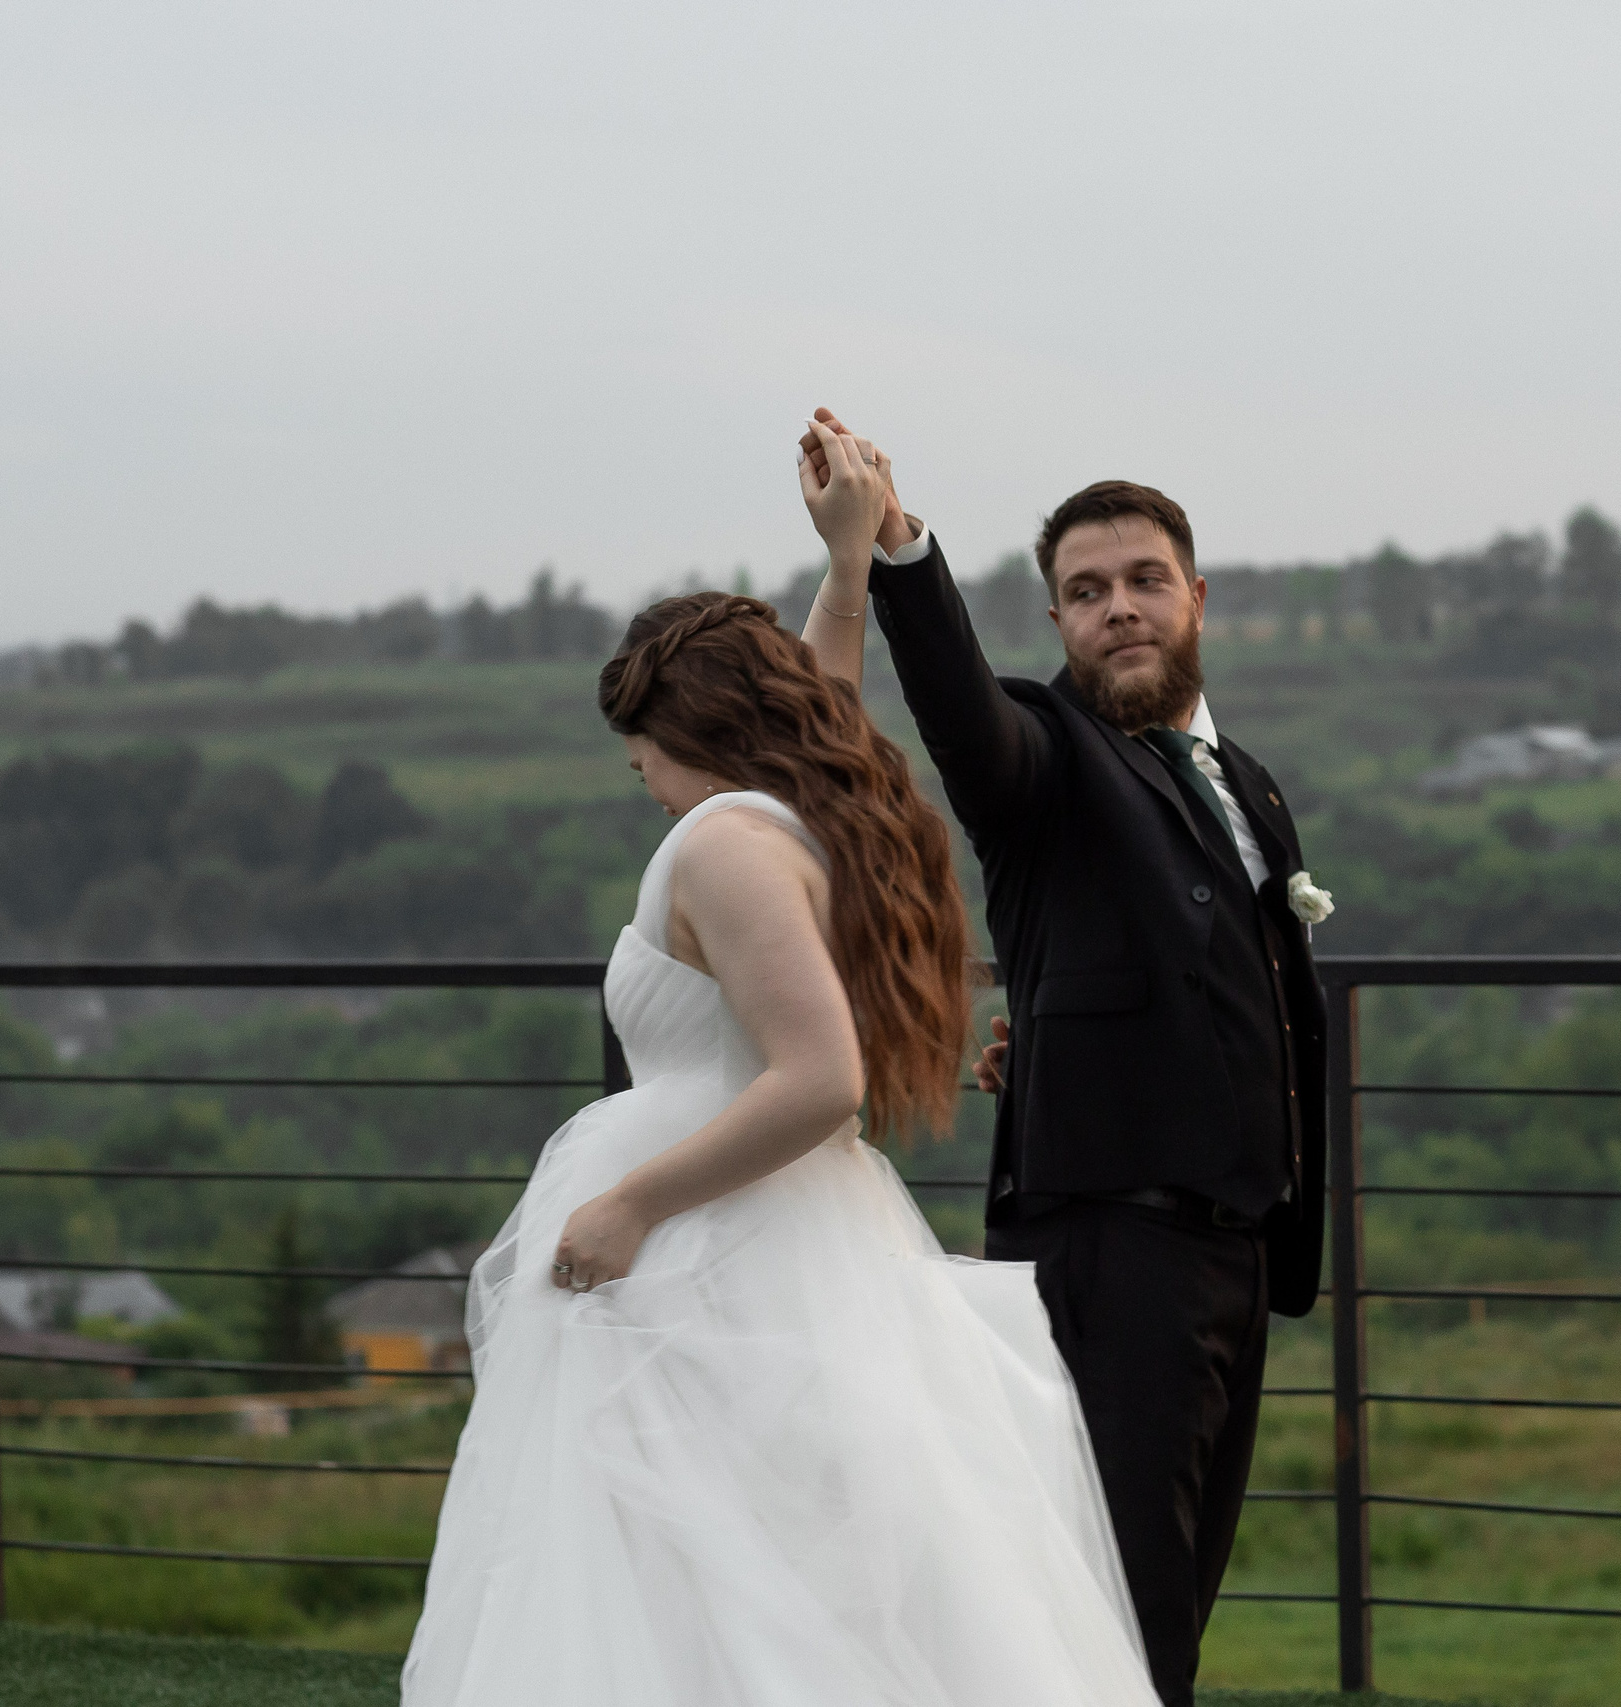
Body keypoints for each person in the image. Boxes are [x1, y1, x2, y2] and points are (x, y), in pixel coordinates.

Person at [401, 432, 1160, 1706]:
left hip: (706, 1250)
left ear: (682, 727)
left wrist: (627, 1205)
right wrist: (848, 562)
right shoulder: (810, 814)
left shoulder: (725, 846)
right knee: (780, 1568)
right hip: (783, 1240)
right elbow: (827, 691)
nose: (636, 775)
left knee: (703, 1581)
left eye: (635, 743)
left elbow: (820, 1079)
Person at [799, 408, 1331, 1707]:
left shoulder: (1247, 784)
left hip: (1237, 1256)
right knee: (1120, 1628)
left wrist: (1042, 1039)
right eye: (1086, 592)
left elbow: (1215, 980)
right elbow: (967, 724)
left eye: (1145, 579)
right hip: (1114, 1257)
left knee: (1172, 1617)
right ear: (1058, 624)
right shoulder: (1048, 761)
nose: (1121, 608)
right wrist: (899, 550)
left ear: (1195, 596)